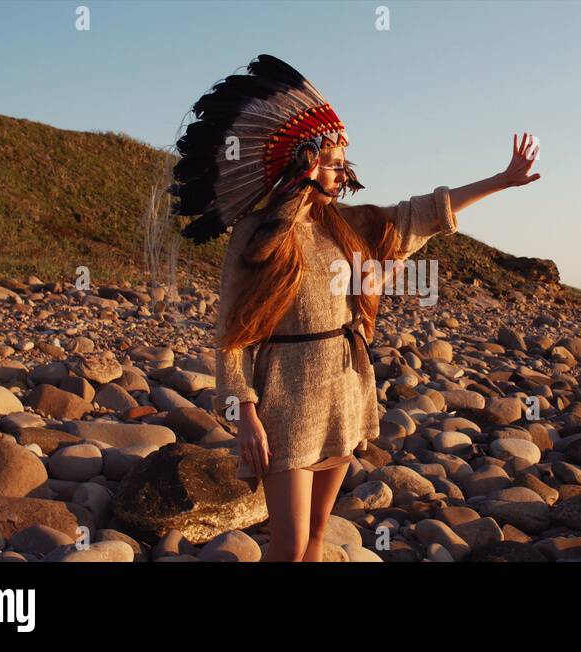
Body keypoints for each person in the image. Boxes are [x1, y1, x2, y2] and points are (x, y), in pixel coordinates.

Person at [169, 54, 539, 562]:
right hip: (286, 400)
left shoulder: (349, 225)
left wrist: (500, 180)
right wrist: (245, 413)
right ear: (303, 161)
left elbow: (424, 214)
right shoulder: (255, 236)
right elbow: (233, 334)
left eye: (345, 164)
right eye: (334, 162)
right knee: (290, 543)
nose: (344, 173)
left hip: (344, 389)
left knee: (318, 536)